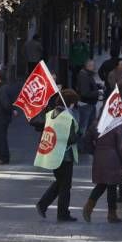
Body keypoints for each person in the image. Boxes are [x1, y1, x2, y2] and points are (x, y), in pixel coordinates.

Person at [35, 89, 80, 222]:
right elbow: (72, 139)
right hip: (65, 156)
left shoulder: (50, 114)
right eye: (74, 103)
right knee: (65, 185)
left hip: (52, 153)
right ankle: (62, 213)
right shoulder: (67, 118)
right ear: (70, 103)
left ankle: (43, 205)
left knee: (60, 182)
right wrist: (80, 134)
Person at [82, 113, 122, 223]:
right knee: (111, 187)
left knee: (102, 184)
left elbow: (86, 141)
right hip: (114, 160)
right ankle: (111, 214)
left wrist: (95, 151)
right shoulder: (116, 125)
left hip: (99, 158)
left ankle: (89, 207)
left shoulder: (95, 124)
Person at [76, 59, 101, 137]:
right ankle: (81, 146)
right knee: (84, 127)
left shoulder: (87, 74)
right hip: (85, 105)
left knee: (90, 126)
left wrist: (97, 86)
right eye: (93, 66)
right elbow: (85, 93)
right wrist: (98, 92)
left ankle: (87, 144)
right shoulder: (84, 75)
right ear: (88, 66)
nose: (95, 67)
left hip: (90, 104)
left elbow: (89, 86)